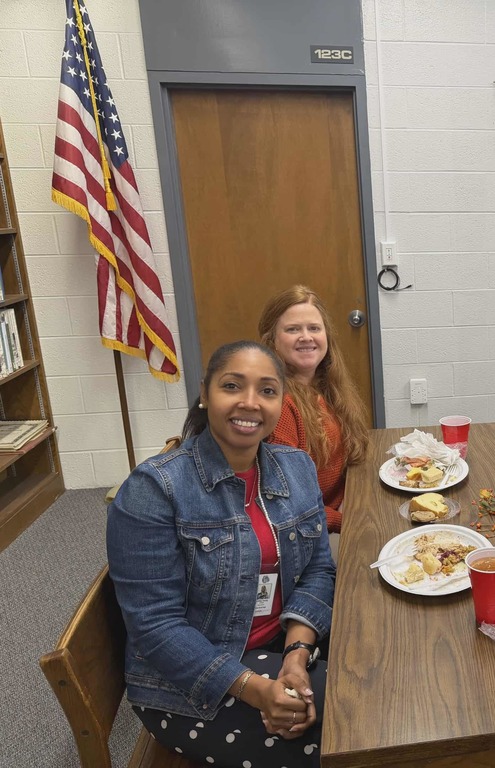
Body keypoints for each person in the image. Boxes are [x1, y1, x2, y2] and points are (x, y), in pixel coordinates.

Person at [107, 341, 336, 767]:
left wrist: (296, 655)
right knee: (354, 730)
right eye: (233, 386)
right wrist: (257, 689)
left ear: (281, 402)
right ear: (205, 392)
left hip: (278, 650)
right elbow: (155, 627)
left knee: (383, 683)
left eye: (267, 391)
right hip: (191, 687)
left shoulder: (297, 467)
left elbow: (318, 569)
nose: (250, 403)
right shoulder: (154, 490)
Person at [259, 285, 369, 533]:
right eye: (292, 329)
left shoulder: (326, 387)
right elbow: (289, 506)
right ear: (272, 340)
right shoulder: (280, 405)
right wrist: (347, 522)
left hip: (342, 505)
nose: (306, 337)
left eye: (314, 328)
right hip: (313, 530)